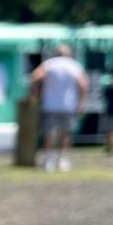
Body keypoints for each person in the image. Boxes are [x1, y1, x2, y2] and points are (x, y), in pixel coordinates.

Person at [31, 44, 88, 172]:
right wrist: (81, 102)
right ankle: (63, 159)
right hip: (68, 104)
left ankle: (48, 160)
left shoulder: (49, 64)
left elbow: (35, 77)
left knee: (49, 133)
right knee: (66, 133)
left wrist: (35, 94)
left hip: (50, 104)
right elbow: (83, 85)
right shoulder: (74, 65)